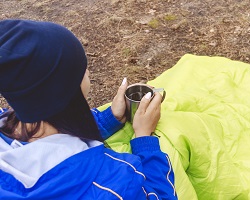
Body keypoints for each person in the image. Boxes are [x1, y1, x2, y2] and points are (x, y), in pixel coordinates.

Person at [0, 19, 177, 199]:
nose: (87, 72)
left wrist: (109, 118)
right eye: (82, 68)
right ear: (69, 91)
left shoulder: (6, 125)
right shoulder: (113, 185)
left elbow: (53, 135)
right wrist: (145, 138)